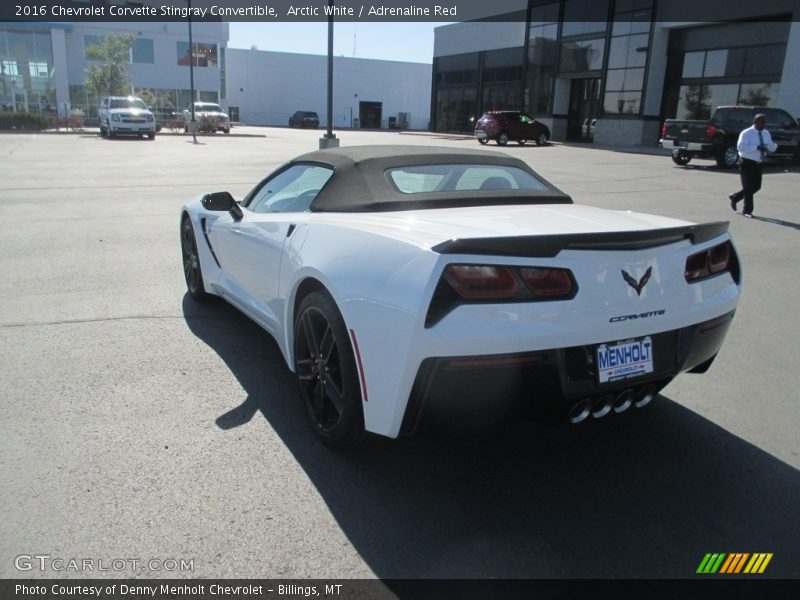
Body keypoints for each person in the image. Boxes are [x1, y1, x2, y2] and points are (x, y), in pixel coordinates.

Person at [728, 113, 777, 218]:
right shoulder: (746, 133)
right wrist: (756, 147)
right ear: (755, 122)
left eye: (765, 122)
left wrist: (771, 148)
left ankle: (735, 197)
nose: (763, 124)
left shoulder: (766, 133)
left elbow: (771, 145)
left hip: (758, 162)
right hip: (746, 162)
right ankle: (747, 211)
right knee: (748, 187)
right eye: (761, 122)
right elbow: (740, 147)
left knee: (756, 186)